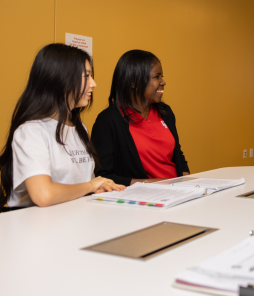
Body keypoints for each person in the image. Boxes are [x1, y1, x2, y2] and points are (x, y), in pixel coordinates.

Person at [0, 44, 125, 210]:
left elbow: (82, 185)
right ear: (60, 79)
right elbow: (43, 195)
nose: (93, 84)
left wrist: (100, 187)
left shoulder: (79, 128)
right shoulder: (31, 131)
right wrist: (91, 185)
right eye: (86, 76)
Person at [91, 50, 189, 186]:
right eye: (157, 77)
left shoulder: (166, 112)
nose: (163, 82)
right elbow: (103, 176)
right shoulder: (108, 120)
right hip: (142, 200)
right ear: (133, 82)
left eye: (162, 76)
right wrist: (152, 184)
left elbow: (178, 155)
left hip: (177, 192)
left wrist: (186, 183)